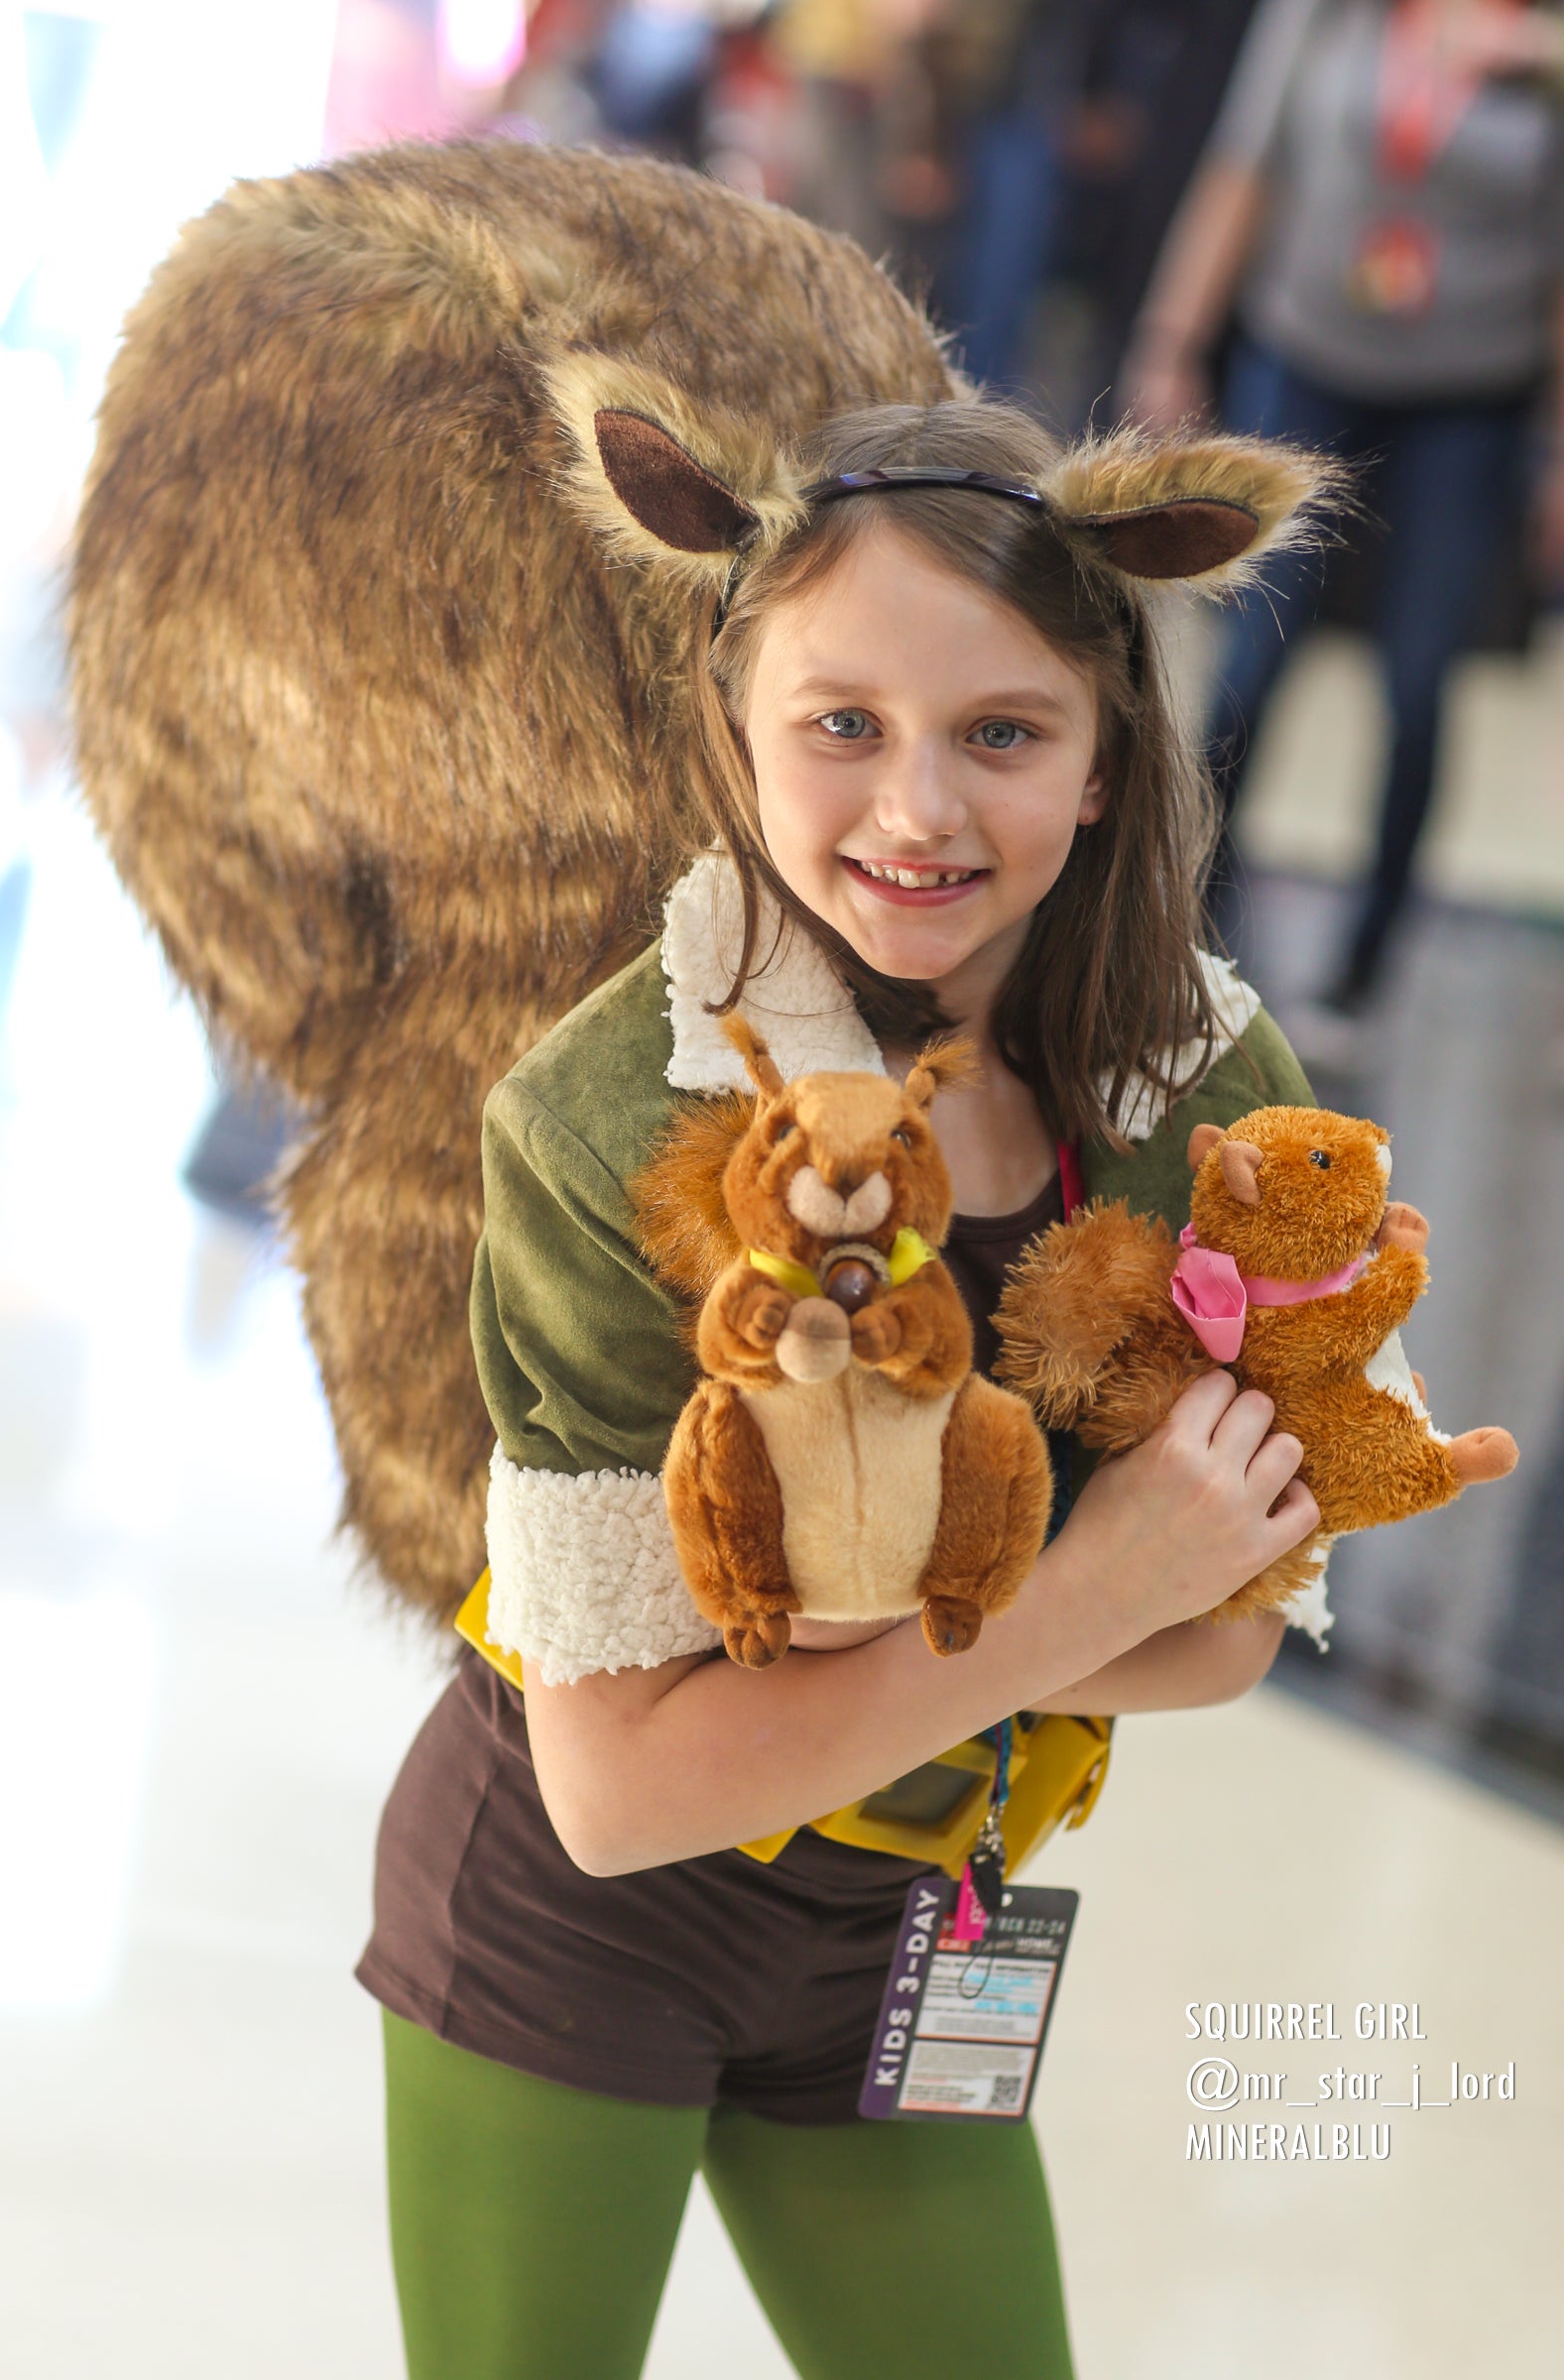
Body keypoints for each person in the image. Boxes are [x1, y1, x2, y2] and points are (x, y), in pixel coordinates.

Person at [355, 396, 1325, 2379]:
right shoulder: (608, 1120)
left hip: (915, 1918)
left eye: (1002, 733)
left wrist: (879, 1655)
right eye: (843, 724)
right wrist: (1082, 1593)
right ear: (737, 736)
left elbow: (1234, 1632)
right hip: (575, 1922)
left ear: (1105, 761)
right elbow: (621, 1789)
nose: (918, 810)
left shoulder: (1212, 1095)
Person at [1124, 0, 1564, 1030]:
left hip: (1472, 398)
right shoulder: (1327, 16)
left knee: (1418, 682)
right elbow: (1242, 168)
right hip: (1305, 364)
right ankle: (1192, 924)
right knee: (1252, 662)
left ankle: (1364, 967)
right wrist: (1171, 340)